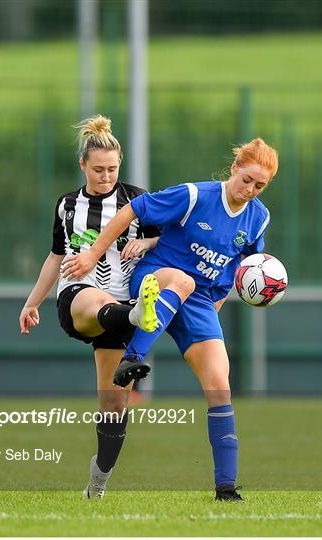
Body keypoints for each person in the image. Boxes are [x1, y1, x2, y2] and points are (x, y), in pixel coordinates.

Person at [61, 137, 279, 502]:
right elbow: (133, 211)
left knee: (219, 385)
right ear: (234, 169)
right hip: (157, 277)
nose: (250, 190)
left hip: (200, 302)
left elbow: (241, 269)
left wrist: (218, 311)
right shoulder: (195, 195)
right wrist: (95, 253)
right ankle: (133, 357)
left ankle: (226, 487)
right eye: (247, 180)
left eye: (260, 185)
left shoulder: (259, 218)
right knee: (182, 279)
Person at [18, 115, 161, 499]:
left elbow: (166, 240)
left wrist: (145, 244)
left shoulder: (136, 200)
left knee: (114, 403)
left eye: (113, 169)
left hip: (125, 303)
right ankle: (134, 314)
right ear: (83, 165)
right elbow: (55, 256)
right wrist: (33, 302)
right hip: (79, 298)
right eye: (98, 169)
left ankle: (97, 483)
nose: (106, 176)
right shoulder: (67, 206)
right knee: (91, 298)